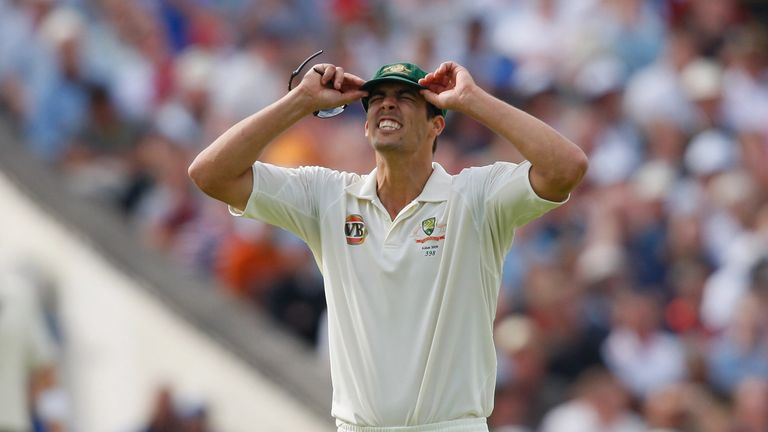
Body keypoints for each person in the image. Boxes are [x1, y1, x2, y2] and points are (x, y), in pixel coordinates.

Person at [188, 58, 587, 431]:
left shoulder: (476, 197)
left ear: (437, 125)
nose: (387, 106)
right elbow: (210, 173)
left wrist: (472, 100)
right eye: (377, 99)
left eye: (405, 99)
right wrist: (300, 101)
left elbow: (566, 168)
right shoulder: (329, 197)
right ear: (365, 127)